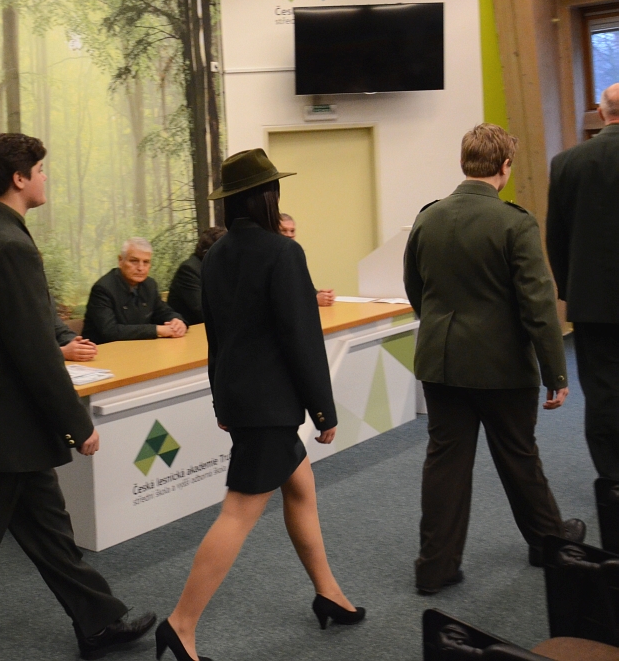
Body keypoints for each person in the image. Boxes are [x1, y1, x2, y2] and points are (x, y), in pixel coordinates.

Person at [0, 133, 155, 661]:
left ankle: (98, 622)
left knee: (50, 533)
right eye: (40, 170)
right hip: (0, 434)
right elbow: (33, 350)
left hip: (2, 428)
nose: (45, 178)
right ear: (19, 178)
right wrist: (77, 424)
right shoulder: (11, 246)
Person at [156, 149, 362, 661]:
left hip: (241, 398)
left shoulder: (216, 255)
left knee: (301, 489)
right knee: (238, 513)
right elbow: (301, 338)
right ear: (268, 196)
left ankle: (329, 593)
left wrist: (221, 400)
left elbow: (217, 338)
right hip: (271, 406)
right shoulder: (283, 252)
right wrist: (324, 411)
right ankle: (180, 625)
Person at [405, 123, 585, 593]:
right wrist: (556, 372)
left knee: (444, 464)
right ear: (505, 166)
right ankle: (549, 544)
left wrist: (441, 327)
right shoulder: (515, 223)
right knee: (518, 456)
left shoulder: (428, 218)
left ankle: (435, 567)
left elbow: (415, 288)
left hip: (441, 362)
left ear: (464, 162)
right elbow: (537, 307)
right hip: (502, 367)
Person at [547, 82, 619, 483]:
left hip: (591, 300)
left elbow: (555, 237)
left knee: (603, 390)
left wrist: (568, 289)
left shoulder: (567, 163)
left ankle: (612, 478)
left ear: (601, 112)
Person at [82, 238, 186, 343]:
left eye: (146, 262)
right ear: (120, 261)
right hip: (104, 349)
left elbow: (164, 312)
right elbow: (110, 331)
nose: (141, 268)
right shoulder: (103, 289)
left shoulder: (149, 285)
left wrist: (177, 321)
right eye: (134, 261)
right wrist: (157, 330)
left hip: (140, 346)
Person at [167, 227, 227, 324]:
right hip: (189, 330)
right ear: (207, 253)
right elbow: (203, 311)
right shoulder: (189, 270)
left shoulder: (214, 269)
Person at [279, 214, 335, 306]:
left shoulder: (295, 254)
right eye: (284, 231)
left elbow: (303, 286)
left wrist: (320, 295)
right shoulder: (272, 258)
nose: (289, 235)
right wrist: (313, 300)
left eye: (292, 231)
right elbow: (280, 295)